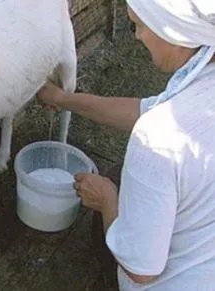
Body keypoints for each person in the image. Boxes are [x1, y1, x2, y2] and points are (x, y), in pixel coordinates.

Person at [37, 0, 215, 290]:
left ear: (175, 32)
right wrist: (62, 100)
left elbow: (141, 269)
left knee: (115, 187)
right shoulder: (203, 78)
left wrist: (107, 200)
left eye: (140, 25)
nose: (136, 36)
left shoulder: (157, 141)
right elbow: (142, 110)